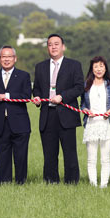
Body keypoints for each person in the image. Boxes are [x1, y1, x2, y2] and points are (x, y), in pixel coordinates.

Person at [32, 34, 84, 184]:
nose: (53, 47)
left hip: (66, 114)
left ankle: (72, 182)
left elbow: (79, 87)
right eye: (50, 44)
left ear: (63, 47)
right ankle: (50, 182)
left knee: (70, 152)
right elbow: (36, 89)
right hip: (47, 115)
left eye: (56, 44)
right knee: (49, 153)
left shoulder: (74, 65)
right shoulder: (40, 67)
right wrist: (36, 98)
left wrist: (63, 96)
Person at [0, 46, 31, 184]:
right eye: (4, 57)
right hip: (0, 124)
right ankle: (4, 183)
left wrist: (6, 96)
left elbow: (27, 96)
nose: (6, 59)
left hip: (20, 124)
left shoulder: (24, 76)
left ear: (15, 59)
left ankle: (21, 182)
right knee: (3, 156)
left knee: (21, 156)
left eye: (9, 56)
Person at [80, 56, 110, 188]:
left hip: (106, 124)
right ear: (92, 69)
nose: (98, 69)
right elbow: (83, 104)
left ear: (105, 68)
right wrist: (86, 110)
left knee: (105, 158)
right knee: (91, 158)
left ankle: (103, 185)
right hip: (91, 124)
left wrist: (109, 112)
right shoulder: (86, 85)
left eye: (101, 66)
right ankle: (93, 184)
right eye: (96, 66)